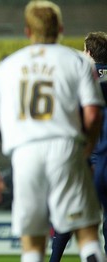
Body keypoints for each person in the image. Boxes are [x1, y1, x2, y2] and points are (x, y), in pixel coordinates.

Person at [0, 1, 104, 262]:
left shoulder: (7, 65)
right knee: (88, 235)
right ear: (61, 30)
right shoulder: (77, 61)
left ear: (27, 31)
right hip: (66, 147)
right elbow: (92, 113)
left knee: (32, 243)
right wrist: (87, 149)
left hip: (25, 153)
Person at [49, 31, 107, 262]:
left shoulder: (84, 76)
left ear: (89, 53)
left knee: (70, 208)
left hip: (85, 152)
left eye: (84, 50)